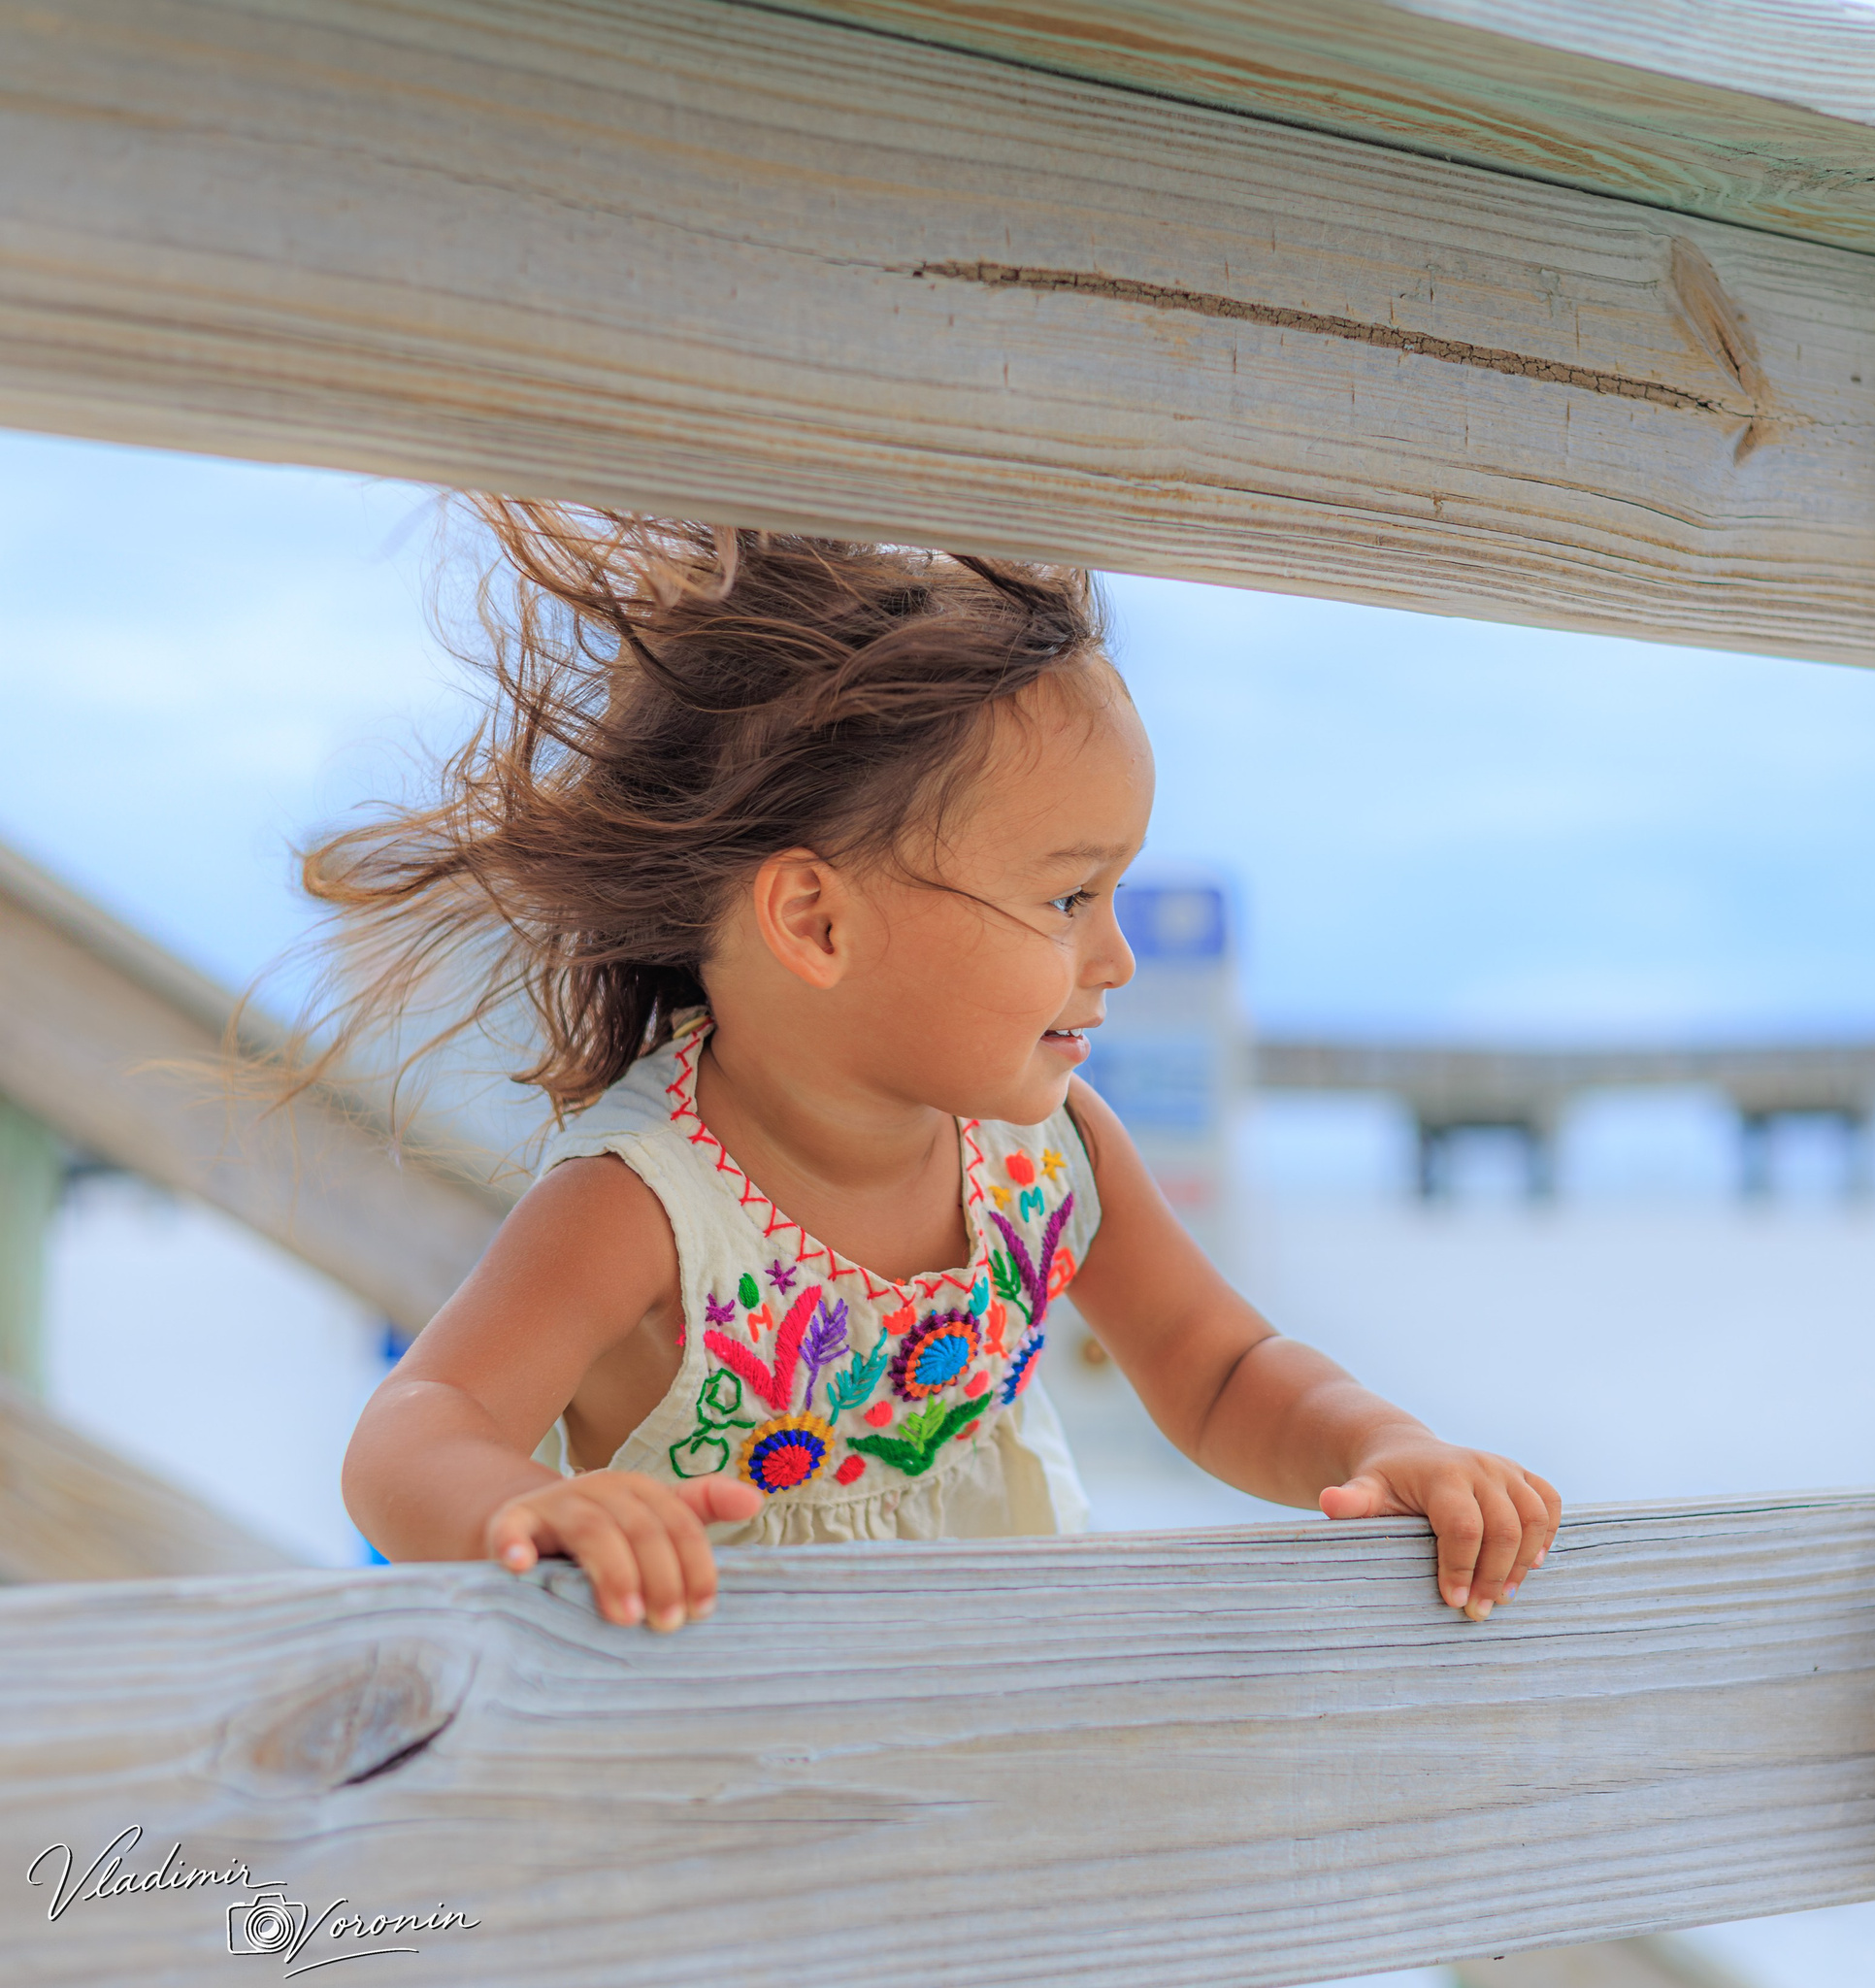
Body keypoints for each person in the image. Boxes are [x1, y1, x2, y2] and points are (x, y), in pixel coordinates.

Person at [326, 500, 1560, 1634]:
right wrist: (521, 1510)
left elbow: (1221, 1368)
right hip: (711, 1761)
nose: (1117, 956)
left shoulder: (1051, 1153)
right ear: (816, 922)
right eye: (1070, 895)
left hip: (992, 1717)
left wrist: (1382, 1441)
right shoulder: (640, 1205)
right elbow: (414, 1432)